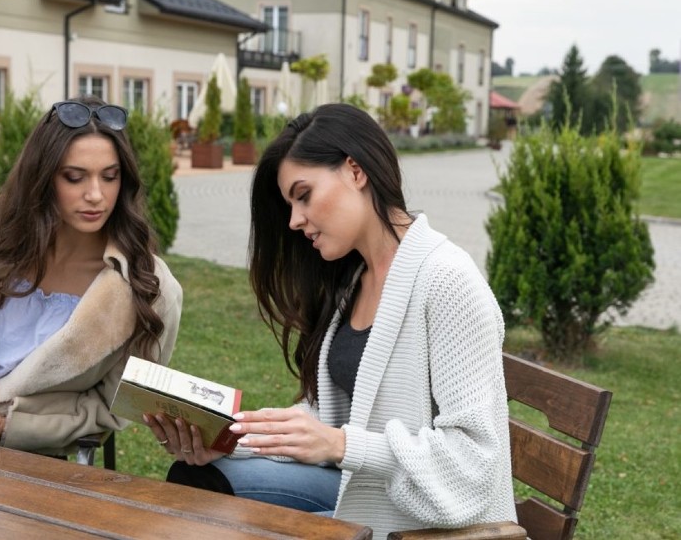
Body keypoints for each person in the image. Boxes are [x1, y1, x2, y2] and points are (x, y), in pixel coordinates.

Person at [148, 103, 515, 538]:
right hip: (368, 493)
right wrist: (231, 437)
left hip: (431, 527)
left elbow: (473, 461)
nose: (294, 220)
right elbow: (330, 419)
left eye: (304, 195)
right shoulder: (355, 280)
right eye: (290, 204)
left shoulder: (448, 281)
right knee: (198, 480)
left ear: (354, 171)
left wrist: (341, 444)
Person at [0, 96, 183, 456]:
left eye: (110, 176)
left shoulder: (149, 288)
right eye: (74, 177)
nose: (96, 195)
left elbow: (114, 403)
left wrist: (9, 426)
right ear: (41, 177)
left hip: (32, 446)